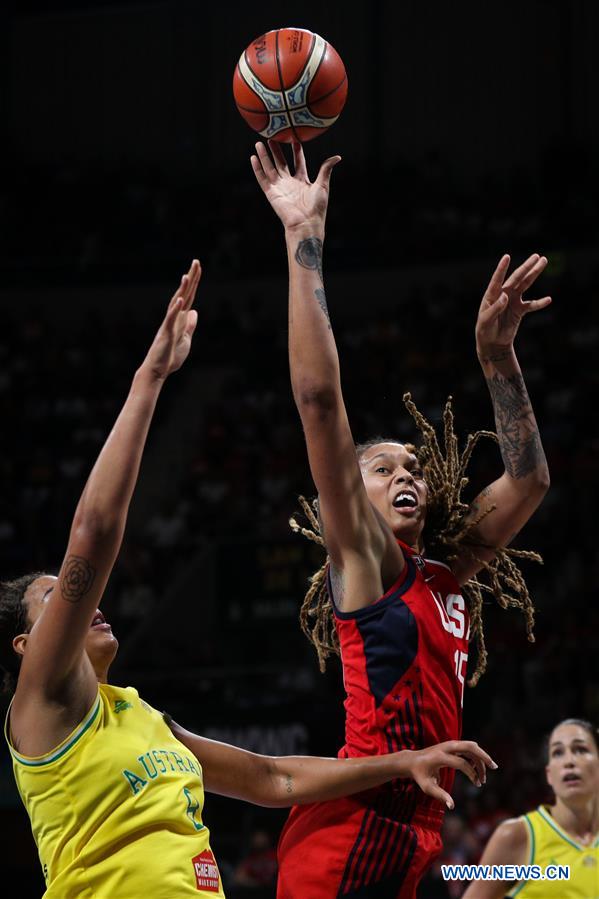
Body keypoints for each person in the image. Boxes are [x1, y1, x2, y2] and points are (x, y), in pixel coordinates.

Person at [0, 262, 496, 899]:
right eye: (53, 596)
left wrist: (406, 761)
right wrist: (149, 380)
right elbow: (94, 533)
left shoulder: (140, 717)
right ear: (24, 645)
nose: (86, 606)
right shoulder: (41, 705)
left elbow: (270, 780)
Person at [250, 140, 551, 898]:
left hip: (413, 829)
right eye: (382, 468)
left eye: (414, 466)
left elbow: (529, 479)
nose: (405, 474)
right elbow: (319, 401)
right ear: (349, 498)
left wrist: (496, 359)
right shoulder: (363, 562)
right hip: (347, 825)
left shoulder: (443, 572)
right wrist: (302, 239)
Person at [462, 719, 599, 898]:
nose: (569, 761)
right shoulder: (516, 836)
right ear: (549, 774)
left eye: (580, 749)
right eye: (558, 753)